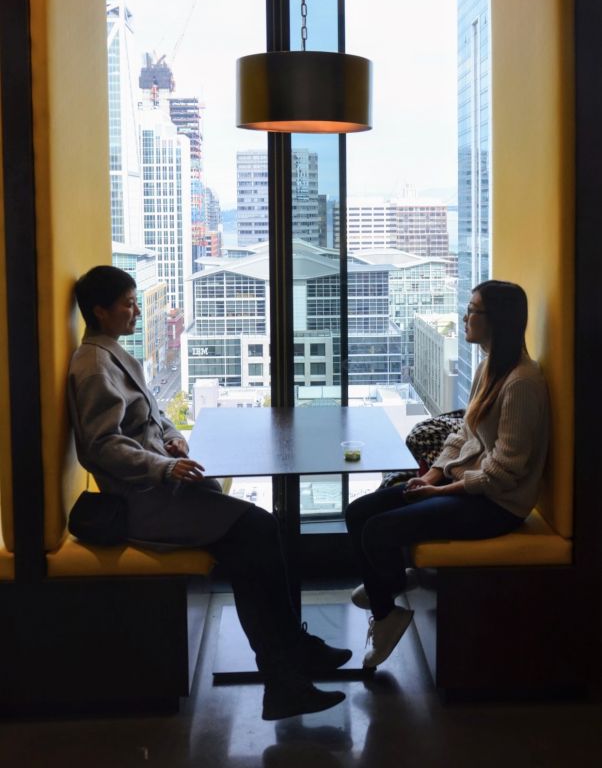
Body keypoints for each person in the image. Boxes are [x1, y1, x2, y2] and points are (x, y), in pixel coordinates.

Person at [68, 265, 351, 720]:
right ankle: (289, 666)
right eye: (128, 304)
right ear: (100, 311)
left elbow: (154, 416)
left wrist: (173, 437)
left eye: (135, 302)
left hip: (161, 491)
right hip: (142, 502)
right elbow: (101, 446)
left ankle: (286, 671)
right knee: (259, 530)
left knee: (250, 546)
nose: (136, 311)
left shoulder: (113, 355)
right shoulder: (95, 365)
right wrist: (163, 466)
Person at [345, 280, 549, 669]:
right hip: (468, 487)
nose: (465, 317)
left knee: (378, 531)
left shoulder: (522, 383)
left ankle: (387, 614)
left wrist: (442, 492)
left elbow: (505, 472)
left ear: (498, 320)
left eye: (473, 310)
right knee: (358, 512)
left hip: (498, 505)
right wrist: (432, 477)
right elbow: (463, 434)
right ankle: (389, 585)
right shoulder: (489, 367)